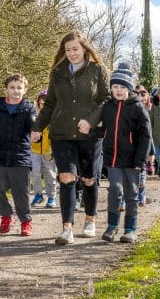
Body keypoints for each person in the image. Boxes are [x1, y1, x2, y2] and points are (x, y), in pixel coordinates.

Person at [31, 30, 109, 245]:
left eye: (75, 49)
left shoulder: (97, 70)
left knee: (89, 179)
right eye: (68, 50)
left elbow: (106, 100)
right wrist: (37, 127)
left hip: (90, 136)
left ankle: (90, 220)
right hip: (61, 133)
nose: (72, 53)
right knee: (66, 177)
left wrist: (91, 121)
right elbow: (50, 104)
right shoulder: (58, 72)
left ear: (85, 49)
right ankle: (67, 228)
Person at [100, 63, 152, 243]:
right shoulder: (107, 106)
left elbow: (146, 135)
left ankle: (130, 229)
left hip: (132, 159)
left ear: (129, 89)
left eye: (122, 87)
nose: (119, 90)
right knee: (115, 189)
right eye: (115, 86)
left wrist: (141, 160)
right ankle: (112, 226)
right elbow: (102, 129)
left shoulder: (138, 107)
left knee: (131, 193)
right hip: (113, 157)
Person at [0, 73, 37, 236]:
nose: (16, 91)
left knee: (20, 192)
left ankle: (26, 221)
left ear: (25, 89)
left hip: (21, 157)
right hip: (1, 156)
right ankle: (6, 216)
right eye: (12, 88)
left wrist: (36, 132)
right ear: (6, 89)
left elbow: (34, 126)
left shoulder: (29, 108)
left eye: (19, 88)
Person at [30, 89, 57, 209]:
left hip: (49, 150)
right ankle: (38, 194)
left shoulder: (55, 117)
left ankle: (51, 196)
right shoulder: (34, 116)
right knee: (35, 173)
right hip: (34, 149)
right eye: (42, 100)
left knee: (50, 174)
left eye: (46, 101)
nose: (43, 103)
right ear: (38, 102)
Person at [134, 85, 155, 206]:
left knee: (141, 175)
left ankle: (141, 198)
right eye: (138, 93)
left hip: (145, 143)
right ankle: (127, 200)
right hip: (132, 144)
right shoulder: (130, 108)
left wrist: (151, 152)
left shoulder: (150, 110)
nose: (141, 96)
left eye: (143, 93)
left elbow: (149, 134)